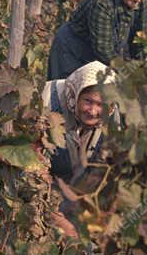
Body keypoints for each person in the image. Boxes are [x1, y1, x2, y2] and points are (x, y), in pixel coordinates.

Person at [42, 61, 116, 236]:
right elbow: (30, 174)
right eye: (88, 101)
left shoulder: (112, 116)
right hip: (38, 187)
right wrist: (56, 217)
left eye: (101, 105)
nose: (93, 111)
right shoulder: (46, 104)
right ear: (76, 95)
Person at [47, 0, 147, 80]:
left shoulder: (140, 2)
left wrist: (139, 66)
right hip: (72, 50)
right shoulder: (102, 1)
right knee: (66, 90)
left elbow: (140, 37)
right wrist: (126, 72)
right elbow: (103, 48)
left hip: (98, 51)